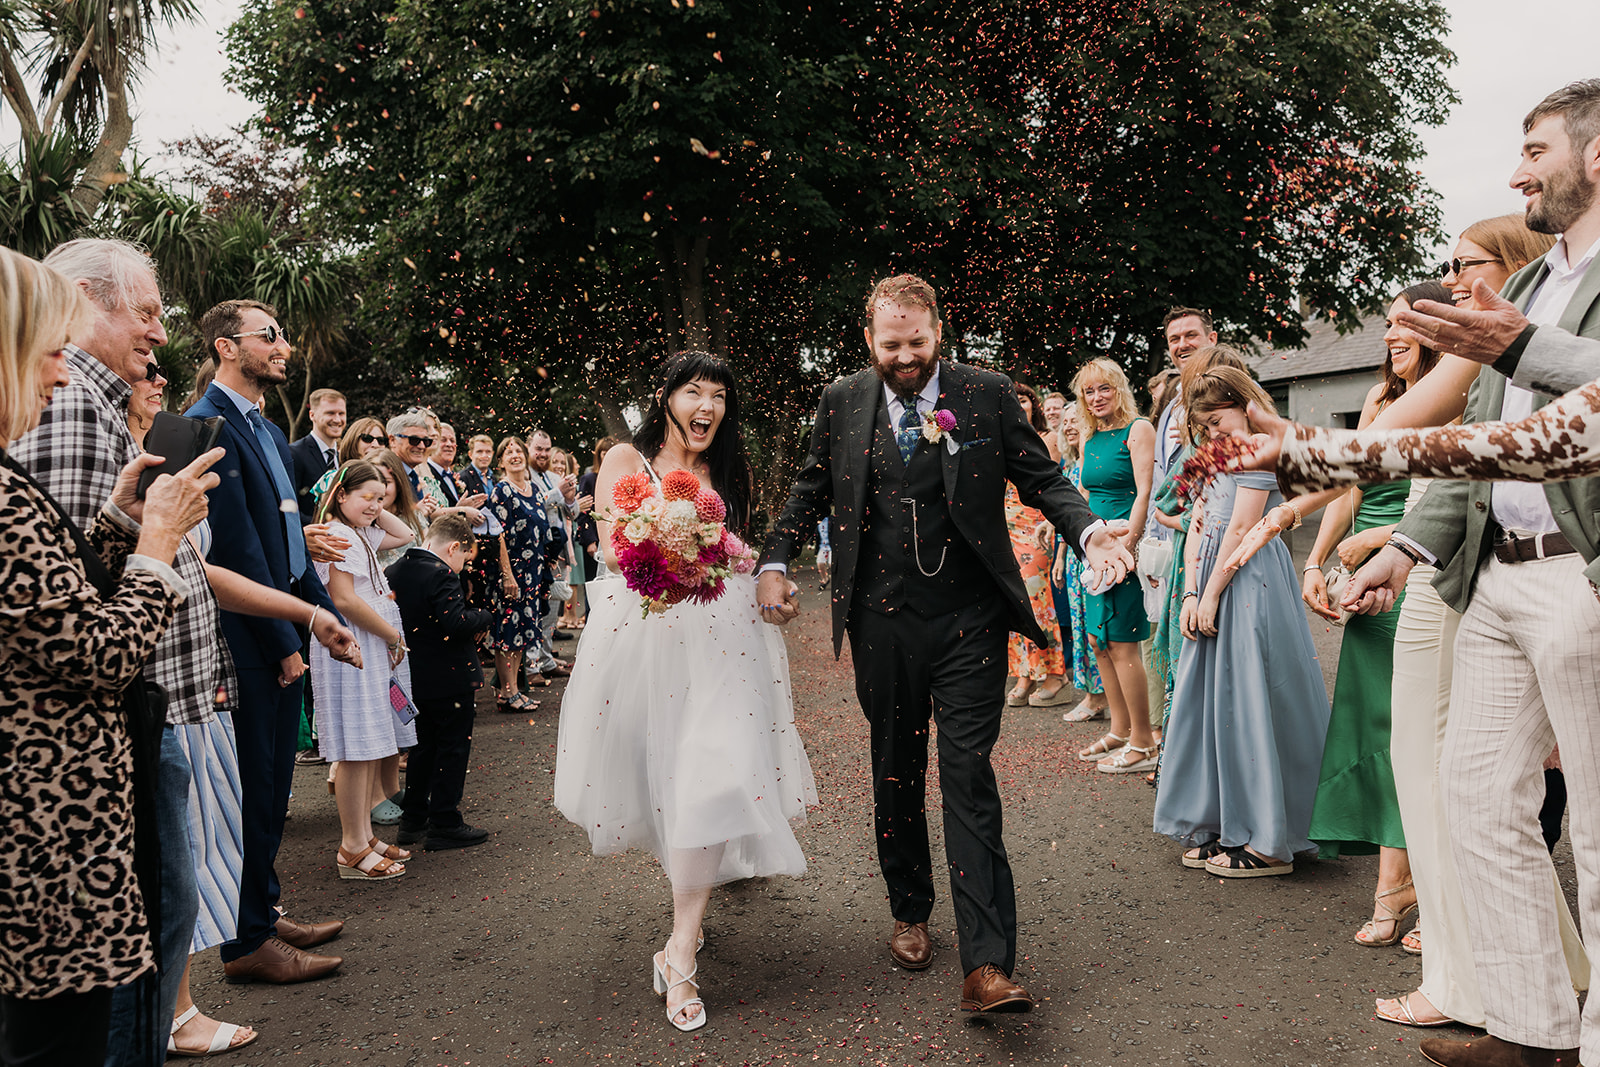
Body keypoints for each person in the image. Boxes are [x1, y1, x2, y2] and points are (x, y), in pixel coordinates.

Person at [756, 274, 1133, 1014]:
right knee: (895, 768)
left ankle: (988, 964)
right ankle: (909, 907)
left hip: (969, 621)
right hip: (881, 620)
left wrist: (1090, 531)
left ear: (939, 330)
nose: (906, 357)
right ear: (869, 338)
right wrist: (773, 562)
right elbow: (809, 489)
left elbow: (1041, 477)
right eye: (890, 344)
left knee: (967, 773)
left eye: (918, 342)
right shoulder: (841, 401)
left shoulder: (987, 392)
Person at [1340, 80, 1600, 1067]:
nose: (1514, 170)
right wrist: (1407, 547)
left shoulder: (1530, 312)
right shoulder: (1527, 288)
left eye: (1534, 149)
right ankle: (1530, 1026)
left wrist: (1523, 347)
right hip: (1493, 573)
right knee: (1475, 795)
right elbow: (1479, 442)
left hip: (1583, 577)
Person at [0, 246, 219, 1067]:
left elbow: (46, 600)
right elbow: (95, 649)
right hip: (50, 825)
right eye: (49, 351)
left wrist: (120, 526)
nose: (59, 375)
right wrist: (157, 541)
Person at [556, 350, 815, 1032]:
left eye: (720, 396)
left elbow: (743, 550)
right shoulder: (624, 461)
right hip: (648, 638)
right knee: (669, 782)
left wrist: (766, 579)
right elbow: (611, 547)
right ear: (666, 396)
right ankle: (684, 928)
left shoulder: (725, 470)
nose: (708, 407)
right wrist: (668, 535)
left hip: (726, 634)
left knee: (716, 770)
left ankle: (680, 952)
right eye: (694, 392)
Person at [184, 300, 347, 985]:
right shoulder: (205, 426)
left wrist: (322, 611)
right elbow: (238, 550)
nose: (283, 346)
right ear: (228, 346)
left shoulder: (268, 430)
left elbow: (286, 539)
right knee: (253, 786)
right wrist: (285, 637)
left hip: (281, 632)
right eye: (268, 336)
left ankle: (263, 905)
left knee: (276, 785)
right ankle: (247, 941)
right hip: (247, 643)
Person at [1300, 281, 1451, 946]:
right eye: (1387, 323)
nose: (1390, 336)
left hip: (1423, 568)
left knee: (1421, 737)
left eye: (1404, 324)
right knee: (1376, 733)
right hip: (1366, 581)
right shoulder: (1380, 399)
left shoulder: (1459, 398)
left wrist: (1386, 541)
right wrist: (1317, 559)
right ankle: (1401, 880)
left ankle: (1419, 886)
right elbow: (1347, 487)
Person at [1152, 364, 1330, 876]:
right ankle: (1224, 821)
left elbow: (1242, 528)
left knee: (1249, 696)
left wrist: (1209, 594)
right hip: (1211, 578)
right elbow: (1196, 523)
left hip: (1249, 582)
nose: (1214, 432)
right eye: (1204, 425)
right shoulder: (1213, 454)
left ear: (1246, 406)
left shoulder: (1256, 451)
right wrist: (1189, 592)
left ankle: (1268, 837)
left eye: (1219, 418)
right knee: (1210, 698)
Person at [310, 459, 418, 879]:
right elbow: (344, 598)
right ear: (340, 496)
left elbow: (405, 532)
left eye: (379, 497)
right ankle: (352, 846)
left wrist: (371, 495)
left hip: (370, 641)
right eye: (365, 497)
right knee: (358, 744)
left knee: (375, 738)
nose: (375, 506)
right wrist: (391, 636)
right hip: (354, 642)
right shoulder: (338, 534)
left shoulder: (356, 531)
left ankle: (364, 835)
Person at [388, 511, 495, 850]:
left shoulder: (396, 569)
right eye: (466, 556)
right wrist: (485, 615)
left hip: (414, 676)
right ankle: (445, 820)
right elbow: (454, 622)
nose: (464, 565)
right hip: (449, 679)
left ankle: (413, 819)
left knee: (423, 748)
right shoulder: (441, 574)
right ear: (453, 548)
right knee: (452, 748)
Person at [1071, 358, 1158, 774]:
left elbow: (1145, 491)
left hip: (1123, 547)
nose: (1097, 397)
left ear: (1119, 388)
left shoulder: (1138, 429)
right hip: (1093, 551)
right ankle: (1120, 730)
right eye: (1089, 391)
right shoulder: (1090, 438)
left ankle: (1144, 742)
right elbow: (1085, 497)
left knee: (1123, 643)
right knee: (1098, 642)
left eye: (1104, 388)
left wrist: (1132, 544)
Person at [1004, 381, 1070, 708]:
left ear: (1034, 405)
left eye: (1024, 400)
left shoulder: (1047, 439)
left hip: (1036, 527)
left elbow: (1050, 485)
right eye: (1012, 401)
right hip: (1006, 527)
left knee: (1036, 597)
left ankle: (1055, 672)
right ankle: (1025, 673)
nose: (1019, 405)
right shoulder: (1003, 440)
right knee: (1014, 601)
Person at [1051, 404, 1108, 723]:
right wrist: (1060, 557)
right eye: (1067, 422)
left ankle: (1099, 695)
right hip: (1072, 554)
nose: (1070, 426)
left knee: (1094, 625)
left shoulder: (1089, 463)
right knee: (1079, 622)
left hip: (1091, 550)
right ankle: (1090, 694)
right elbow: (1065, 518)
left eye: (1077, 420)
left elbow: (1081, 509)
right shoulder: (1069, 467)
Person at [489, 435, 550, 711]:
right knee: (508, 632)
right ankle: (507, 692)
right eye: (507, 452)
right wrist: (507, 575)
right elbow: (497, 535)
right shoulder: (502, 491)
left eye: (518, 450)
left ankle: (513, 688)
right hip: (512, 573)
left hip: (533, 574)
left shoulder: (534, 489)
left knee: (523, 634)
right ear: (500, 461)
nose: (514, 454)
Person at [290, 388, 346, 522]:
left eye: (341, 413)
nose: (337, 419)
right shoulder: (295, 453)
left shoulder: (345, 456)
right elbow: (289, 506)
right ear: (312, 415)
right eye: (330, 413)